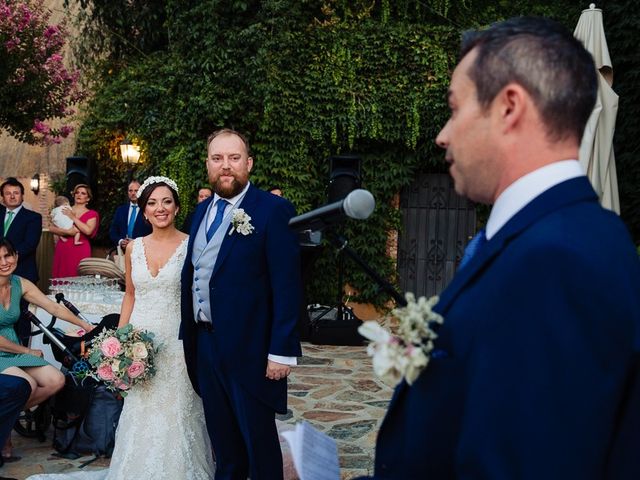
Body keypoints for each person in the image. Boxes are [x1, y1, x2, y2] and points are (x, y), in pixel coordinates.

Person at [365, 17, 640, 479]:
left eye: (455, 109)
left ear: (509, 107)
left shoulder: (555, 263)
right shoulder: (566, 236)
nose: (443, 135)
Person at [28, 177, 215, 480]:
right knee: (140, 409)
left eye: (167, 201)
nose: (160, 208)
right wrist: (118, 340)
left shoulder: (191, 245)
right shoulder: (134, 248)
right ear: (144, 212)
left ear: (178, 207)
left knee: (177, 409)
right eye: (152, 203)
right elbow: (130, 294)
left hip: (177, 341)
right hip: (138, 340)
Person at [180, 128, 302, 480]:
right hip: (205, 345)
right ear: (208, 165)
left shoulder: (272, 210)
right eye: (218, 159)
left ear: (248, 163)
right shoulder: (200, 213)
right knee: (226, 450)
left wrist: (281, 350)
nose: (226, 166)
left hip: (252, 349)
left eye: (234, 158)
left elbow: (287, 285)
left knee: (259, 451)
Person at [0, 238, 94, 461]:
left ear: (16, 257)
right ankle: (4, 436)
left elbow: (52, 307)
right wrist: (28, 352)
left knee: (56, 380)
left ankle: (5, 420)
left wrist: (85, 325)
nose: (4, 262)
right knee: (28, 384)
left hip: (14, 348)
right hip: (8, 350)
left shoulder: (19, 283)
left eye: (7, 255)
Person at [0, 177, 43, 343]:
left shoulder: (33, 218)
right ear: (2, 197)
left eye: (16, 193)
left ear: (22, 196)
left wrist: (6, 259)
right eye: (8, 193)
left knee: (22, 318)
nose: (12, 196)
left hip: (23, 273)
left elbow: (29, 244)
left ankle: (24, 352)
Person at [50, 184, 99, 278]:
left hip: (80, 249)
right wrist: (68, 232)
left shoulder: (92, 214)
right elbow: (52, 227)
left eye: (83, 193)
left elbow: (88, 231)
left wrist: (72, 217)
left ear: (88, 198)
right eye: (77, 192)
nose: (79, 195)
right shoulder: (64, 208)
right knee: (61, 279)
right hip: (63, 248)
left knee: (79, 279)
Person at [109, 180, 151, 250]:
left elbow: (152, 233)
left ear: (141, 192)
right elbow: (113, 231)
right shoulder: (120, 210)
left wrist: (136, 242)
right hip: (122, 252)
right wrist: (121, 241)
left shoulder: (147, 210)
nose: (133, 193)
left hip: (142, 252)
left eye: (136, 191)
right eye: (130, 191)